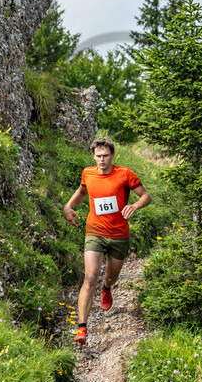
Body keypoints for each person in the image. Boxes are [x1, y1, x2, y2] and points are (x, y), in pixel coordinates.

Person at [64, 137, 152, 345]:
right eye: (98, 156)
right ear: (93, 156)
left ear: (112, 156)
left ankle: (107, 288)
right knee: (90, 277)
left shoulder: (125, 174)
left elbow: (146, 196)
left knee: (110, 277)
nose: (102, 160)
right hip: (94, 231)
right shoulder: (88, 173)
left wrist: (136, 206)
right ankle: (82, 328)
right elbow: (82, 191)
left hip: (119, 235)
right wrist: (69, 206)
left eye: (105, 156)